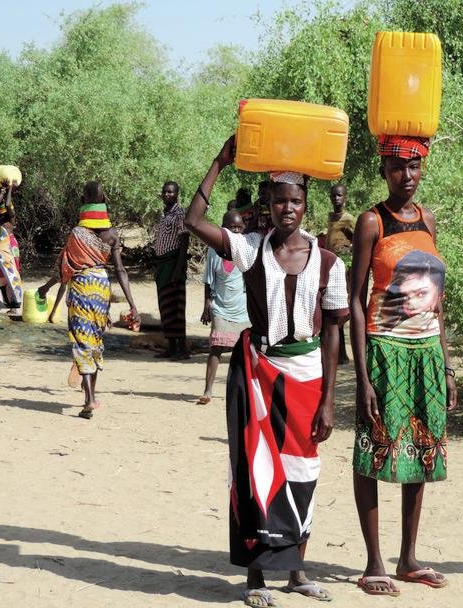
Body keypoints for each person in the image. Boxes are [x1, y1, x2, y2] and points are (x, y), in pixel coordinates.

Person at [184, 136, 348, 607]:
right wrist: (219, 161)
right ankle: (256, 578)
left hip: (307, 374)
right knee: (254, 471)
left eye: (295, 200)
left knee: (303, 470)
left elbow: (333, 333)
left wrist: (329, 399)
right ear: (268, 205)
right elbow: (194, 222)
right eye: (279, 201)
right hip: (256, 372)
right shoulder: (251, 248)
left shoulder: (328, 263)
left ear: (305, 205)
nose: (287, 209)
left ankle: (296, 572)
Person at [349, 135, 457, 596]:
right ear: (383, 171)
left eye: (413, 167)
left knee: (422, 450)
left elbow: (438, 302)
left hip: (426, 353)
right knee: (374, 451)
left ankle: (408, 558)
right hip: (386, 353)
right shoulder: (371, 221)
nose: (406, 176)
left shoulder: (429, 220)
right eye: (397, 168)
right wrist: (363, 377)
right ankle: (374, 561)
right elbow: (354, 301)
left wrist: (448, 367)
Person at [38, 181, 139, 420]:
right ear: (104, 202)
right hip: (102, 287)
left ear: (83, 202)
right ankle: (90, 393)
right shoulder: (112, 235)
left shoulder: (76, 234)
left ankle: (89, 399)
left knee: (81, 339)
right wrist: (132, 304)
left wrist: (45, 287)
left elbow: (65, 269)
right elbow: (121, 272)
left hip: (82, 286)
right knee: (94, 338)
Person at [198, 209, 250, 405]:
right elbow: (208, 281)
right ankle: (208, 390)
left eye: (239, 227)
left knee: (244, 352)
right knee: (216, 348)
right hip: (220, 306)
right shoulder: (214, 250)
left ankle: (243, 392)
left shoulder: (246, 248)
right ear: (223, 229)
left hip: (243, 308)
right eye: (231, 227)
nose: (236, 231)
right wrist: (206, 306)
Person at [152, 180, 190, 359]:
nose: (167, 194)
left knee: (176, 306)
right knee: (165, 306)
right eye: (165, 192)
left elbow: (184, 242)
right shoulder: (163, 214)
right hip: (162, 265)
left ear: (177, 194)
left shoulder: (180, 213)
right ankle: (171, 346)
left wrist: (178, 268)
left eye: (171, 192)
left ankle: (181, 349)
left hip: (173, 264)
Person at [325, 183, 356, 364]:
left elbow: (358, 239)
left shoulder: (348, 219)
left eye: (340, 195)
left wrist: (348, 250)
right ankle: (340, 354)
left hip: (343, 268)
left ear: (345, 197)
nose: (337, 198)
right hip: (331, 267)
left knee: (342, 308)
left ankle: (341, 354)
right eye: (334, 195)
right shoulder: (331, 217)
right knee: (333, 307)